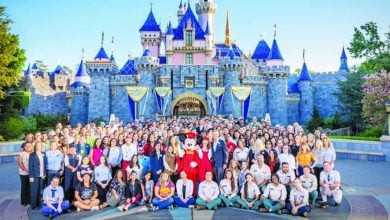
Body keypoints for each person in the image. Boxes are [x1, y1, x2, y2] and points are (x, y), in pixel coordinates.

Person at [29, 142, 46, 210]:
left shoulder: (43, 154)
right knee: (34, 191)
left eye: (40, 145)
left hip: (42, 175)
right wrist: (31, 176)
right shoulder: (32, 155)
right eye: (37, 145)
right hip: (34, 176)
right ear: (35, 146)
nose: (38, 147)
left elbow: (44, 164)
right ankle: (33, 206)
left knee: (40, 190)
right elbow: (30, 166)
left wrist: (44, 173)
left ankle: (39, 204)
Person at [19, 142, 32, 206]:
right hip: (23, 173)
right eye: (27, 146)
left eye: (30, 145)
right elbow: (20, 163)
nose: (28, 147)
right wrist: (26, 170)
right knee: (24, 187)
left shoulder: (32, 154)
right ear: (24, 147)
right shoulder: (22, 154)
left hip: (31, 173)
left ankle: (29, 200)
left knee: (30, 187)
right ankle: (24, 201)